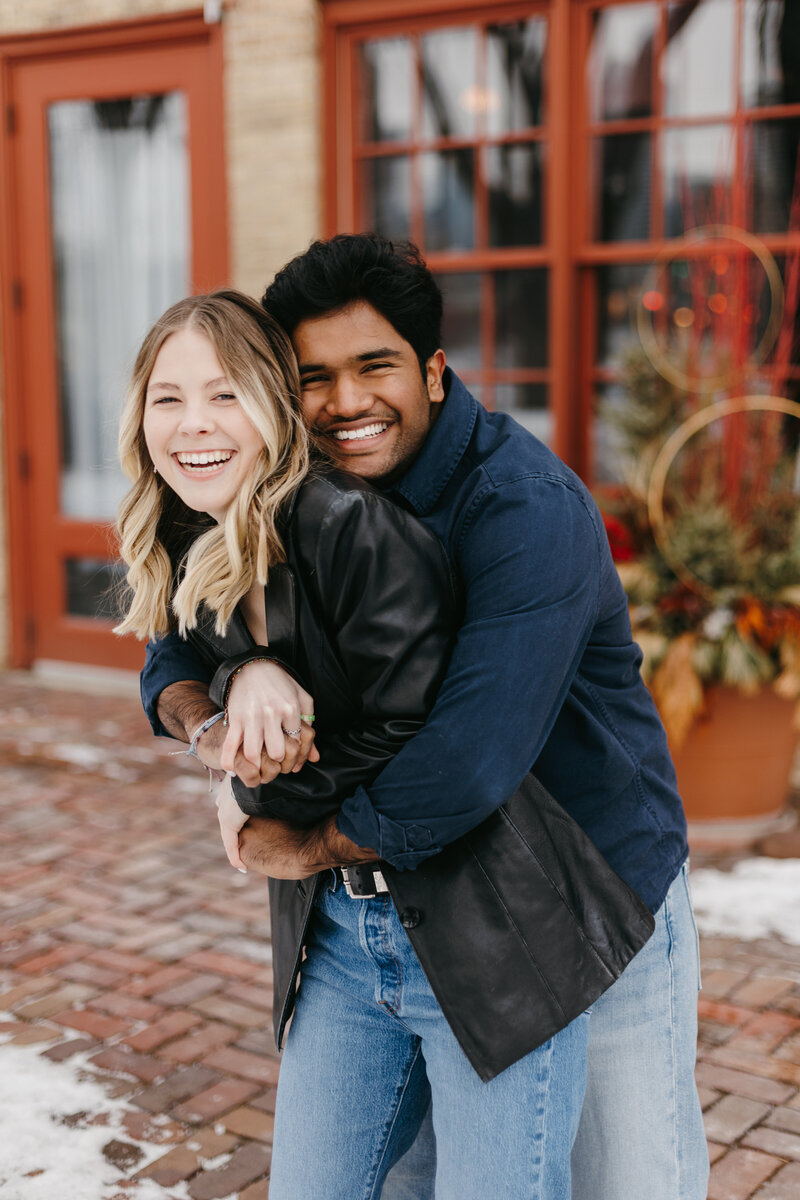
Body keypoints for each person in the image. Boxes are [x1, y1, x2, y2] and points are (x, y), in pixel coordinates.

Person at [139, 238, 710, 1199]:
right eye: (312, 377)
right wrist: (238, 689)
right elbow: (174, 641)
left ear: (434, 372)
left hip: (583, 891)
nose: (345, 402)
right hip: (397, 910)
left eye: (376, 367)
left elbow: (465, 760)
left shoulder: (522, 509)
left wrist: (285, 830)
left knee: (628, 1181)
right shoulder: (274, 493)